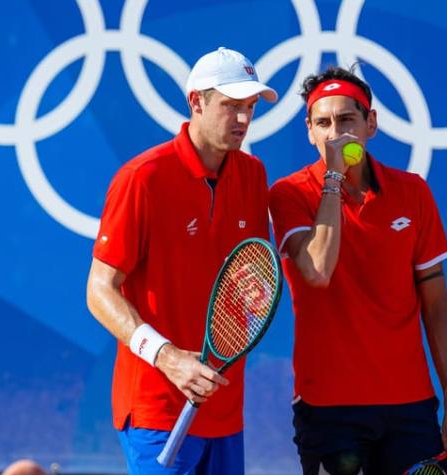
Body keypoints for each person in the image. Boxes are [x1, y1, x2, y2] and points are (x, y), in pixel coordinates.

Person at [268, 66, 447, 475]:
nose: (336, 134)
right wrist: (333, 178)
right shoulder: (288, 194)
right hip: (329, 411)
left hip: (410, 408)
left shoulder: (413, 192)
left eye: (347, 119)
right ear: (309, 131)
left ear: (371, 124)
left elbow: (436, 305)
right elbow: (317, 270)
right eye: (323, 123)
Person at [86, 47, 277, 475]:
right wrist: (168, 357)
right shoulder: (143, 178)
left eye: (249, 108)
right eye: (231, 106)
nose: (243, 120)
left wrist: (255, 290)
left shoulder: (252, 175)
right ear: (197, 102)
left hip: (224, 409)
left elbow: (253, 277)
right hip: (156, 410)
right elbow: (99, 291)